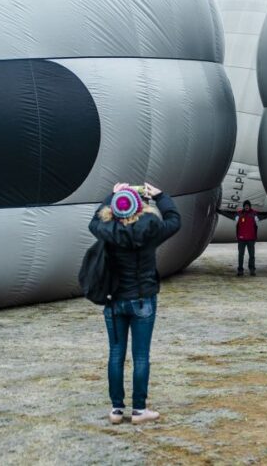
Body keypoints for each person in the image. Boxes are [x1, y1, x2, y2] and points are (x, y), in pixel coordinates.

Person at [88, 182, 181, 425]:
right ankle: (139, 410)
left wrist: (113, 195)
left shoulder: (108, 231)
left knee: (116, 354)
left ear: (115, 210)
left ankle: (117, 410)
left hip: (115, 301)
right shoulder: (151, 231)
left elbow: (94, 222)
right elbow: (174, 219)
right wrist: (160, 195)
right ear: (140, 207)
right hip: (143, 300)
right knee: (141, 356)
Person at [217, 200, 267, 276]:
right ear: (243, 206)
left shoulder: (254, 214)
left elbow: (265, 215)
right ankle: (240, 270)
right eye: (245, 206)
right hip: (241, 239)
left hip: (251, 239)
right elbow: (229, 214)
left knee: (252, 256)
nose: (246, 207)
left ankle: (252, 270)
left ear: (250, 206)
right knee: (240, 255)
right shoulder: (239, 214)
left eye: (248, 206)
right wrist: (220, 211)